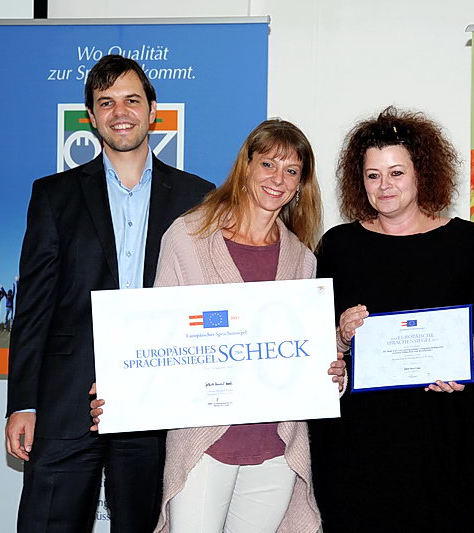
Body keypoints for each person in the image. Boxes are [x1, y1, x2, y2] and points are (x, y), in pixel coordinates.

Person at [90, 118, 345, 533]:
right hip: (203, 445)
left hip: (276, 449)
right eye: (268, 165)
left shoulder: (303, 259)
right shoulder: (188, 237)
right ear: (246, 167)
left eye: (291, 171)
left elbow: (303, 356)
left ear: (300, 185)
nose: (278, 179)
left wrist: (330, 373)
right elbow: (158, 336)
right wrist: (122, 389)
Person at [5, 55, 215, 532]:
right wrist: (24, 403)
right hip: (65, 401)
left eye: (131, 100)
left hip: (154, 404)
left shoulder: (197, 199)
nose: (120, 112)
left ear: (153, 111)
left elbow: (203, 305)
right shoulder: (53, 195)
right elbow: (32, 308)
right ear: (91, 117)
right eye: (106, 102)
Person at [308, 107, 474, 531]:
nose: (384, 186)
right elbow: (313, 346)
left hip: (446, 443)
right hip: (357, 448)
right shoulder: (338, 247)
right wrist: (340, 336)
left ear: (422, 173)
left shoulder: (465, 242)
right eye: (373, 175)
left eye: (396, 173)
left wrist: (462, 356)